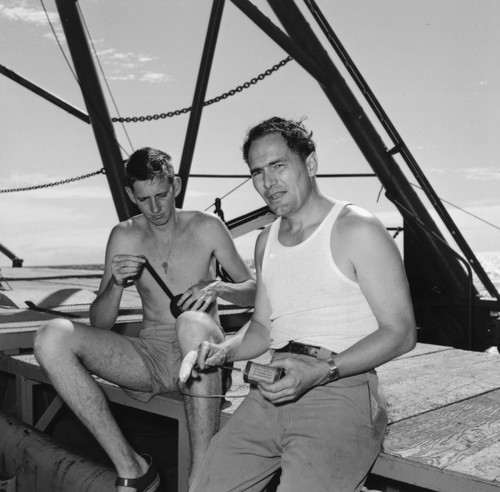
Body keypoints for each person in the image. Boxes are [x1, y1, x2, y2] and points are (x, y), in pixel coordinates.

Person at [181, 117, 417, 492]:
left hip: (341, 390)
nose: (267, 182)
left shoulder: (356, 228)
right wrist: (223, 351)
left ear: (309, 164)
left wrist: (320, 372)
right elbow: (262, 328)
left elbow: (401, 333)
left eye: (278, 166)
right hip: (270, 390)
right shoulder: (266, 241)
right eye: (257, 172)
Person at [34, 147, 256, 492]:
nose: (155, 208)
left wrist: (219, 288)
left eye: (162, 195)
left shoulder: (208, 226)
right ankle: (134, 468)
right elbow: (101, 323)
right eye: (144, 199)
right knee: (51, 335)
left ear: (177, 186)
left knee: (190, 323)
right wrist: (117, 286)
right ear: (129, 195)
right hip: (150, 357)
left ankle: (199, 480)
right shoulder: (123, 235)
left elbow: (253, 290)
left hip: (203, 355)